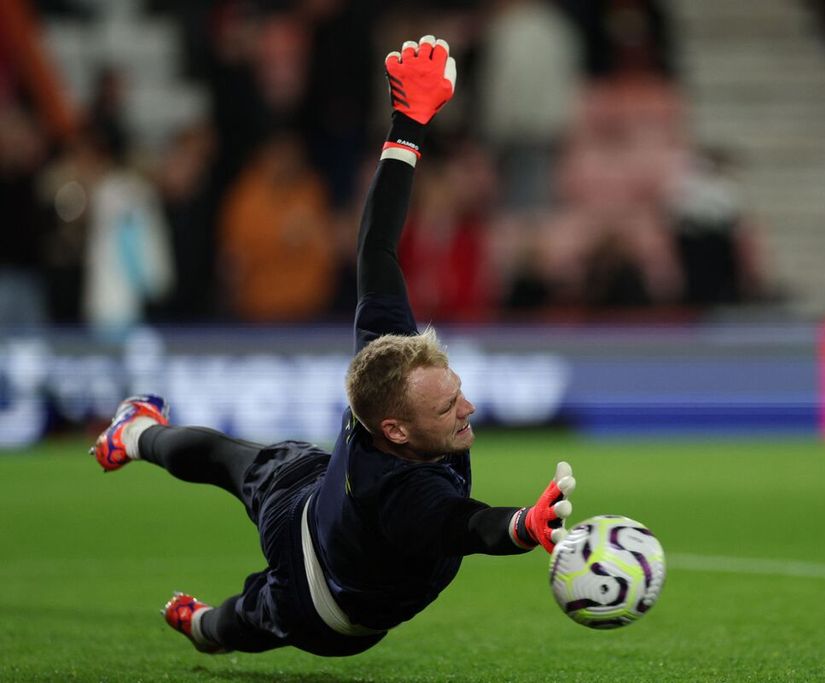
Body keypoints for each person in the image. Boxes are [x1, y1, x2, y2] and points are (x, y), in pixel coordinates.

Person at [90, 36, 576, 657]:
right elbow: (469, 525)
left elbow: (374, 246)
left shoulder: (390, 361)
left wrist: (409, 124)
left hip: (325, 531)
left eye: (457, 393)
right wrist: (523, 526)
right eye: (449, 407)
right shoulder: (404, 493)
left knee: (232, 502)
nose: (469, 409)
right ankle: (192, 591)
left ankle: (140, 465)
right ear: (396, 431)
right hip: (320, 600)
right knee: (241, 591)